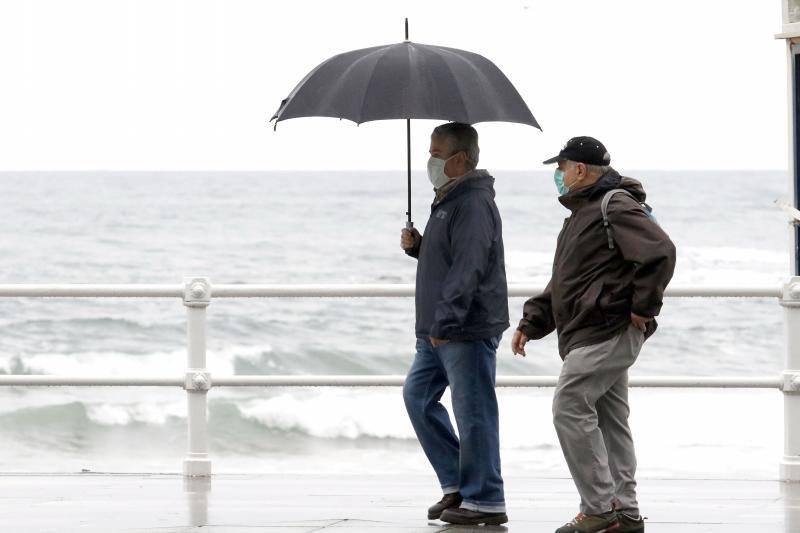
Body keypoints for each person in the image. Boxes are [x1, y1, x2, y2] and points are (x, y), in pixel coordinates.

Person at [512, 137, 676, 533]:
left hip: (606, 328)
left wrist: (642, 308)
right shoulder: (582, 214)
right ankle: (625, 511)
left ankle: (599, 508)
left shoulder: (613, 204)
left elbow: (660, 252)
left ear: (580, 170)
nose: (559, 175)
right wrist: (531, 323)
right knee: (610, 418)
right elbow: (567, 282)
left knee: (569, 405)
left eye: (562, 167)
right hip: (593, 330)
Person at [400, 122, 509, 526]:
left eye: (436, 152)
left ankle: (487, 499)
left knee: (474, 411)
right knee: (418, 398)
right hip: (436, 329)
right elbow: (450, 257)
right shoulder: (448, 200)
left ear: (461, 158)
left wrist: (445, 320)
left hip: (463, 327)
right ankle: (458, 485)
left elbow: (470, 266)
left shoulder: (473, 202)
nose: (430, 160)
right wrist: (420, 248)